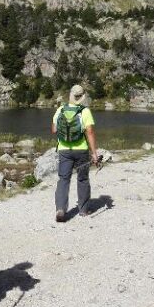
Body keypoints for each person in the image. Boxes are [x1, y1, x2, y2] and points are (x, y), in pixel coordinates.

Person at [52, 84, 99, 222]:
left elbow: (54, 130)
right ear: (82, 97)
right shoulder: (85, 111)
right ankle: (83, 210)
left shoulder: (60, 110)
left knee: (63, 179)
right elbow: (89, 132)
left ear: (71, 96)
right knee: (83, 179)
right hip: (81, 151)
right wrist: (94, 153)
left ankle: (60, 208)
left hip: (64, 150)